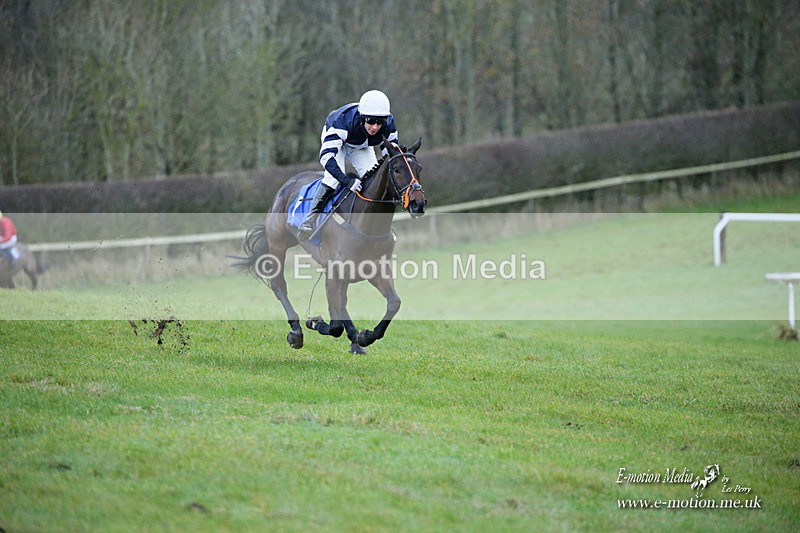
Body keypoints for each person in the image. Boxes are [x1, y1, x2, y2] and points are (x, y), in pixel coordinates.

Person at [298, 90, 399, 239]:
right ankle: (310, 220)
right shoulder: (342, 121)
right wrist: (347, 181)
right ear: (363, 117)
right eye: (371, 120)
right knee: (332, 180)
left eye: (380, 122)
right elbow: (326, 158)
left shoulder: (389, 123)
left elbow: (390, 154)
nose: (375, 127)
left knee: (373, 180)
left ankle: (374, 226)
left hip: (360, 146)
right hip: (338, 139)